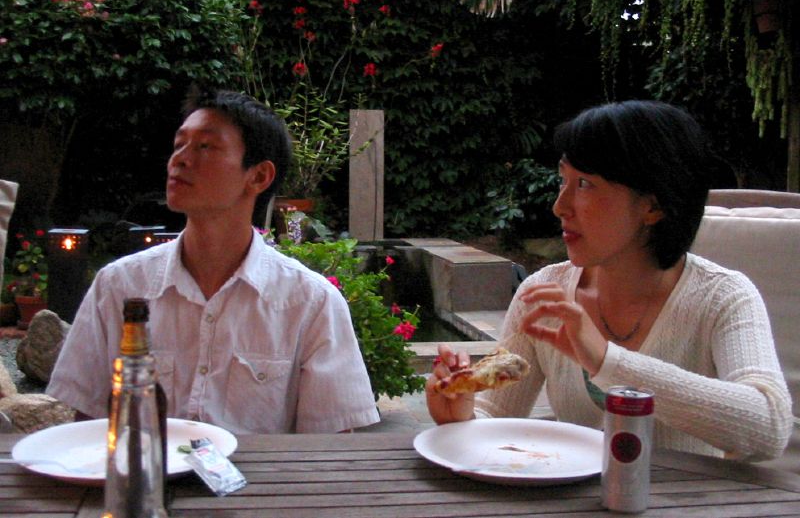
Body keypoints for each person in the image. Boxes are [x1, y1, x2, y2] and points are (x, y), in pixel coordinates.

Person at [427, 100, 792, 461]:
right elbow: (496, 416)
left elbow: (769, 427)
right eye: (563, 181)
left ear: (653, 206)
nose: (560, 206)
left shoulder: (722, 297)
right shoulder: (544, 296)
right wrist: (464, 413)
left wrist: (606, 360)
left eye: (584, 184)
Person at [47, 88, 380, 434]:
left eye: (205, 146)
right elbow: (87, 423)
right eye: (179, 144)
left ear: (259, 176)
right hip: (145, 482)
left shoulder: (309, 303)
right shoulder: (119, 286)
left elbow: (327, 448)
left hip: (262, 487)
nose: (180, 159)